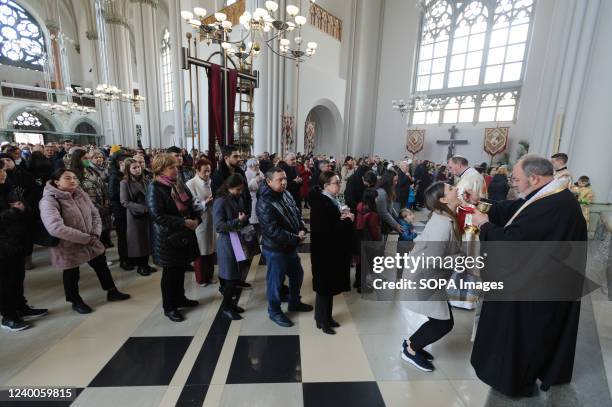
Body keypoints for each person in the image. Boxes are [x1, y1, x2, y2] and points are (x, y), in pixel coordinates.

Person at [469, 155, 588, 396]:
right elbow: (516, 210)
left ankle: (514, 381)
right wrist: (481, 202)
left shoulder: (553, 205)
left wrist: (484, 226)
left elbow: (514, 244)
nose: (513, 183)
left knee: (520, 337)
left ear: (534, 178)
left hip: (535, 287)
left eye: (516, 179)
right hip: (543, 279)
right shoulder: (549, 195)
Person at [39, 168, 130, 314]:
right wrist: (85, 238)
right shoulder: (50, 200)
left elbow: (95, 214)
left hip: (91, 239)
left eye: (75, 177)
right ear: (56, 182)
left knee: (101, 265)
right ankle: (75, 301)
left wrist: (95, 233)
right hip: (67, 244)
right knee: (71, 273)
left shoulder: (80, 193)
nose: (73, 180)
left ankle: (112, 291)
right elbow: (55, 227)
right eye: (68, 178)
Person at [400, 181, 461, 372]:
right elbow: (433, 259)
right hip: (423, 279)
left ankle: (411, 343)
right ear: (443, 199)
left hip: (428, 278)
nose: (456, 188)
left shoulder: (443, 216)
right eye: (451, 189)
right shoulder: (442, 224)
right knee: (443, 323)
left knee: (441, 319)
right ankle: (410, 350)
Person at [256, 167, 313, 327]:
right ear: (268, 181)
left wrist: (302, 226)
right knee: (275, 282)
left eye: (285, 179)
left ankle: (294, 302)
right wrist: (296, 238)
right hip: (275, 249)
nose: (284, 182)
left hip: (289, 246)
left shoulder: (285, 193)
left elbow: (296, 212)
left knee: (298, 274)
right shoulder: (264, 203)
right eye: (279, 180)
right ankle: (274, 311)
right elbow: (273, 231)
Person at [147, 154, 201, 322]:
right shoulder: (155, 187)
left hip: (182, 235)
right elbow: (157, 215)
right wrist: (184, 222)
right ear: (160, 169)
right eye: (171, 167)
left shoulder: (177, 183)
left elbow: (189, 203)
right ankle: (169, 307)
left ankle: (180, 298)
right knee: (170, 274)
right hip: (167, 238)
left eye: (176, 167)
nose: (176, 170)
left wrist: (196, 217)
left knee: (180, 269)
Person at [0, 160, 47, 331]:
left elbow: (24, 206)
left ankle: (21, 306)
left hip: (17, 240)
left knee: (18, 278)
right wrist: (14, 211)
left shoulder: (9, 188)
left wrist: (22, 208)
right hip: (3, 245)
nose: (3, 172)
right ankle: (8, 315)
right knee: (4, 282)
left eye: (3, 170)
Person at [309, 171, 354, 334]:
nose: (339, 185)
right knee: (324, 288)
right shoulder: (321, 204)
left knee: (328, 287)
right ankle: (322, 320)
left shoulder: (332, 199)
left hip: (332, 250)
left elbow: (335, 222)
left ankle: (326, 317)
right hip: (324, 251)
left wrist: (343, 216)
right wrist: (348, 220)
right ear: (326, 186)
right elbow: (329, 230)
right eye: (336, 183)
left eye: (339, 182)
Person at [213, 174, 251, 320]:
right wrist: (237, 221)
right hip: (227, 242)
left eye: (241, 190)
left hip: (238, 240)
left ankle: (231, 304)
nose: (240, 192)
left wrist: (243, 219)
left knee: (236, 276)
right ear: (228, 187)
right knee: (230, 277)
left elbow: (242, 215)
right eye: (237, 189)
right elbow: (219, 226)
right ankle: (226, 307)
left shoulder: (237, 197)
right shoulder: (220, 202)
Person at [120, 158, 155, 276]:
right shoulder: (125, 183)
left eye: (138, 167)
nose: (137, 169)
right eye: (134, 168)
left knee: (147, 240)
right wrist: (143, 208)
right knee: (138, 242)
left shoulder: (146, 180)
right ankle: (141, 266)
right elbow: (125, 202)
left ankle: (146, 264)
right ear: (128, 170)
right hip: (135, 216)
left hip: (148, 215)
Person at [186, 158, 217, 286]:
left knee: (210, 249)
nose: (207, 174)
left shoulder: (211, 181)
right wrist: (206, 202)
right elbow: (191, 204)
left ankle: (209, 276)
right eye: (204, 171)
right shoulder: (191, 184)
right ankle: (201, 278)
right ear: (197, 171)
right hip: (200, 220)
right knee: (201, 250)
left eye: (209, 171)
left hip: (212, 219)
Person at [353, 188, 382, 292]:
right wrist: (379, 240)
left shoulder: (359, 207)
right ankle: (363, 286)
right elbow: (375, 232)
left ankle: (357, 282)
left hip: (358, 238)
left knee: (359, 263)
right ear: (373, 199)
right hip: (368, 241)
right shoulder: (373, 214)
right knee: (367, 264)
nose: (378, 199)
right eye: (376, 197)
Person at [108, 152, 132, 270]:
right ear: (119, 163)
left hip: (128, 210)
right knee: (123, 237)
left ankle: (131, 257)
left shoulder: (125, 174)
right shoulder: (114, 176)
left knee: (129, 236)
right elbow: (113, 194)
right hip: (120, 211)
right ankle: (124, 260)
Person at [376, 169, 403, 237]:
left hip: (385, 223)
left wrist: (397, 219)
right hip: (381, 224)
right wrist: (395, 225)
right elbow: (383, 213)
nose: (396, 183)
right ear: (389, 180)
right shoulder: (381, 192)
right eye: (395, 180)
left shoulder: (388, 190)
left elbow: (390, 206)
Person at [245, 158, 264, 231]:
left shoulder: (260, 172)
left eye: (258, 165)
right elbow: (247, 187)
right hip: (252, 198)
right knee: (253, 217)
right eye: (256, 165)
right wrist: (255, 180)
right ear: (250, 166)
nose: (257, 167)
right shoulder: (246, 174)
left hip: (260, 197)